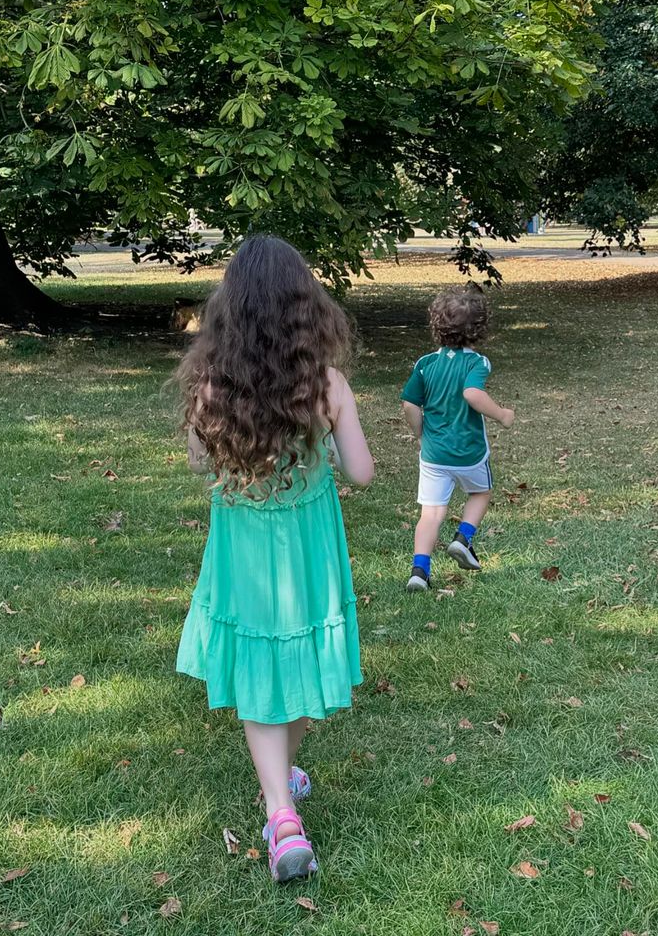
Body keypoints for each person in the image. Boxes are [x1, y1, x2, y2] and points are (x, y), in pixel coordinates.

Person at [174, 235, 374, 882]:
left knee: (262, 668)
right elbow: (363, 472)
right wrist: (331, 452)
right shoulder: (326, 383)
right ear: (303, 305)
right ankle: (281, 808)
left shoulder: (212, 385)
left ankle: (280, 798)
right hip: (308, 553)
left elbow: (199, 460)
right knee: (310, 663)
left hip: (243, 552)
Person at [400, 285, 514, 590]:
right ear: (478, 329)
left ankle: (419, 571)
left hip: (434, 455)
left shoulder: (425, 364)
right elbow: (472, 393)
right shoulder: (477, 362)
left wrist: (420, 433)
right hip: (469, 452)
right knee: (481, 493)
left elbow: (410, 404)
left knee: (431, 513)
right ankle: (463, 538)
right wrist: (502, 414)